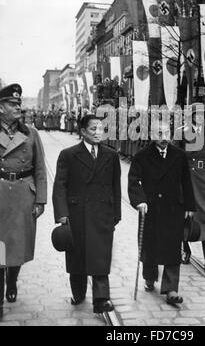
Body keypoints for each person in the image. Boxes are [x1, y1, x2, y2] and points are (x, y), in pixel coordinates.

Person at [52, 114, 121, 314]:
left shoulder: (111, 155)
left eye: (101, 129)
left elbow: (115, 186)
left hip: (102, 214)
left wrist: (116, 214)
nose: (98, 133)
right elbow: (60, 186)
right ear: (82, 131)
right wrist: (62, 214)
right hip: (76, 213)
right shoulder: (69, 154)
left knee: (100, 257)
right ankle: (78, 291)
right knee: (77, 256)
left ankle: (101, 299)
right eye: (93, 129)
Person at [128, 121, 195, 305]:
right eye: (159, 133)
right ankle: (149, 277)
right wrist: (139, 201)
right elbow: (134, 181)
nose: (164, 138)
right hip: (150, 208)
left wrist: (189, 206)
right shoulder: (142, 156)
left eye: (167, 133)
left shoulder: (179, 156)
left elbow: (187, 182)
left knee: (173, 247)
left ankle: (171, 289)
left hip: (174, 208)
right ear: (151, 135)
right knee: (150, 245)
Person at [0, 84, 47, 320]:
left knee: (17, 245)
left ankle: (12, 280)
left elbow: (40, 169)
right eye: (12, 103)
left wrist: (40, 200)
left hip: (22, 195)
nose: (18, 107)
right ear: (0, 108)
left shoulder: (30, 133)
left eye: (19, 103)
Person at [174, 105, 205, 272]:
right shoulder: (181, 133)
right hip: (186, 179)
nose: (200, 118)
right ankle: (184, 249)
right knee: (185, 215)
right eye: (197, 114)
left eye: (203, 115)